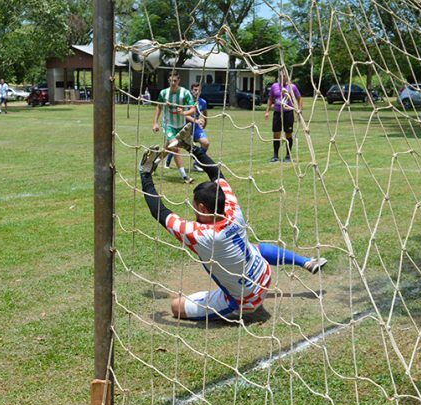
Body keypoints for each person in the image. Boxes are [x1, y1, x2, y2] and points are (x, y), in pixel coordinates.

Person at [139, 144, 327, 321]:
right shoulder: (232, 209)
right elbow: (216, 173)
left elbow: (160, 212)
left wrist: (145, 174)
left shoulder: (201, 235)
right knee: (251, 248)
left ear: (203, 208)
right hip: (265, 274)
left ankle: (236, 304)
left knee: (176, 307)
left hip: (245, 301)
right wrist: (193, 148)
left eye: (195, 206)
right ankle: (306, 262)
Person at [153, 71, 197, 184]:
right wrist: (155, 123)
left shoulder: (185, 93)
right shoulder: (164, 93)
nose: (173, 83)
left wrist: (183, 113)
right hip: (168, 125)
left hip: (181, 126)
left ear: (179, 81)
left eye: (175, 81)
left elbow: (193, 109)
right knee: (175, 147)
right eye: (170, 81)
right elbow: (158, 106)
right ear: (168, 81)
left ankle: (155, 162)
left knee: (168, 148)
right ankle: (185, 177)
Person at [164, 82, 210, 172]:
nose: (197, 92)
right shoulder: (185, 101)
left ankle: (197, 163)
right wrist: (196, 120)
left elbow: (205, 114)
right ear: (191, 90)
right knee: (175, 144)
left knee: (205, 143)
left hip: (195, 127)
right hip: (183, 125)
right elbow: (183, 115)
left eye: (199, 90)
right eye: (195, 90)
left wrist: (204, 124)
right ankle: (167, 161)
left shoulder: (203, 102)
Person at [264, 71, 303, 162]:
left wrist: (299, 109)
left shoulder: (292, 87)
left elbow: (299, 98)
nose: (283, 78)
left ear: (287, 77)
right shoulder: (274, 86)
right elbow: (270, 99)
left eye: (284, 76)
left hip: (288, 113)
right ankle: (275, 156)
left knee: (288, 133)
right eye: (281, 76)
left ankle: (288, 156)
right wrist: (267, 111)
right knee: (276, 134)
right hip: (277, 113)